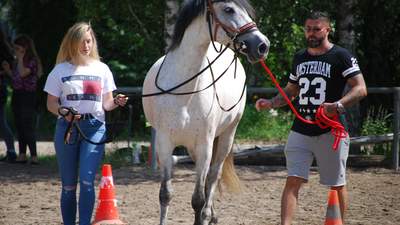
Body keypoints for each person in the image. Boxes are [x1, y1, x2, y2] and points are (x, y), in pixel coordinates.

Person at [255, 11, 367, 224]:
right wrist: (271, 103)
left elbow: (361, 88)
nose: (311, 33)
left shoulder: (341, 56)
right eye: (308, 29)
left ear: (328, 29)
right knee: (293, 180)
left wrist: (338, 105)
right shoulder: (299, 57)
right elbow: (291, 90)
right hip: (300, 129)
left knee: (336, 184)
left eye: (317, 29)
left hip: (331, 130)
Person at [43, 22, 128, 225]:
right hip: (67, 129)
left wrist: (116, 101)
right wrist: (64, 112)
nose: (86, 45)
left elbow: (106, 103)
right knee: (69, 185)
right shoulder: (59, 70)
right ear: (72, 42)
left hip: (95, 127)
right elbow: (51, 103)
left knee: (87, 181)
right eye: (81, 41)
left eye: (89, 41)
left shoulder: (102, 69)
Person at [1, 34, 42, 164]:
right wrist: (8, 70)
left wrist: (19, 59)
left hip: (28, 96)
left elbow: (23, 73)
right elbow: (16, 79)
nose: (15, 51)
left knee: (27, 125)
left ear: (24, 48)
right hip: (18, 95)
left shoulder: (31, 61)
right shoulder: (17, 61)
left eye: (17, 48)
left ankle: (34, 155)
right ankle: (22, 154)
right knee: (19, 125)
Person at [0, 28, 16, 162]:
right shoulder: (6, 51)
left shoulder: (4, 52)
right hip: (2, 89)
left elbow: (9, 72)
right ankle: (11, 150)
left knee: (1, 121)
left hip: (0, 89)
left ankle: (11, 151)